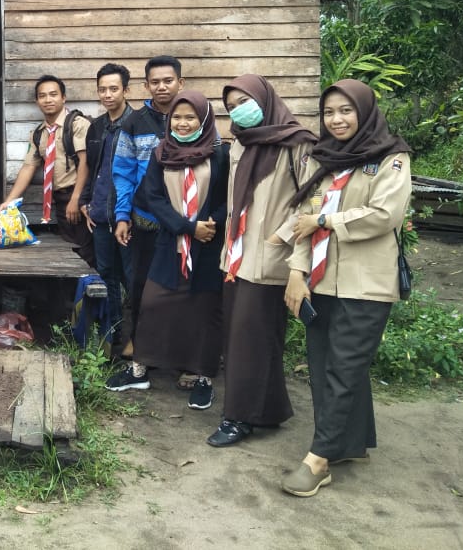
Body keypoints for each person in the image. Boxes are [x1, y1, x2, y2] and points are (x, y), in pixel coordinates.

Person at [280, 79, 411, 498]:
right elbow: (303, 219)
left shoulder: (391, 157)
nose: (336, 120)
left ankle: (319, 460)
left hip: (366, 283)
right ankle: (349, 444)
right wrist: (297, 272)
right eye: (329, 112)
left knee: (345, 367)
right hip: (321, 281)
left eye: (345, 110)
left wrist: (327, 221)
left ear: (365, 112)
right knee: (323, 367)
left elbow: (384, 214)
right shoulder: (323, 159)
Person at [207, 75, 317, 447]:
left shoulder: (298, 143)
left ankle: (238, 417)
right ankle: (269, 410)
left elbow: (313, 200)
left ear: (265, 99)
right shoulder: (241, 142)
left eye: (244, 101)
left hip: (271, 259)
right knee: (248, 336)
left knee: (249, 339)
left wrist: (280, 236)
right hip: (237, 257)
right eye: (231, 106)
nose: (238, 110)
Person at [106, 91, 228, 413]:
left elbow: (227, 198)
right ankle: (139, 371)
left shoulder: (220, 154)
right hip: (170, 241)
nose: (183, 123)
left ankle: (202, 378)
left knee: (204, 311)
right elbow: (153, 197)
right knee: (153, 303)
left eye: (190, 117)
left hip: (207, 245)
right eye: (177, 117)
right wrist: (186, 227)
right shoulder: (161, 153)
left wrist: (210, 224)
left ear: (204, 119)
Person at [110, 55, 185, 356]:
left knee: (183, 285)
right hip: (146, 218)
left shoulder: (194, 116)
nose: (162, 87)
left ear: (181, 82)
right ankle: (139, 341)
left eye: (168, 81)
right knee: (142, 282)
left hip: (185, 218)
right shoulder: (134, 122)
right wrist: (122, 215)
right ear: (146, 86)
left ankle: (179, 348)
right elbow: (123, 173)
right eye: (155, 82)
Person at [0, 74, 94, 266]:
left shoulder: (77, 124)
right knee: (73, 247)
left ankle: (97, 283)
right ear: (37, 101)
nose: (48, 100)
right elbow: (29, 167)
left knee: (88, 249)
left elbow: (85, 162)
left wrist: (76, 199)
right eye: (42, 96)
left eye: (53, 94)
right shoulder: (38, 134)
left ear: (63, 98)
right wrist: (9, 201)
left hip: (80, 196)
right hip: (60, 200)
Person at [80, 63, 134, 347]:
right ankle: (112, 336)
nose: (108, 94)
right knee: (107, 276)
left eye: (114, 89)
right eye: (102, 89)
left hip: (128, 217)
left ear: (126, 90)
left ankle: (136, 339)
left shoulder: (137, 123)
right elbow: (93, 168)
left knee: (132, 278)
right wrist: (86, 201)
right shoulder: (97, 126)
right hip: (101, 214)